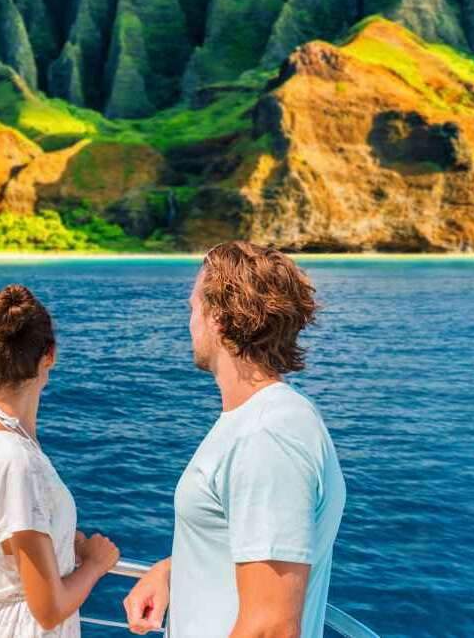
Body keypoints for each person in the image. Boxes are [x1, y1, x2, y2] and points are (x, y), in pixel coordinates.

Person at [124, 241, 346, 637]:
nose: (189, 321)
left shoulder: (268, 435)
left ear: (219, 319)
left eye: (193, 307)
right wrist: (172, 572)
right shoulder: (257, 422)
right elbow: (245, 541)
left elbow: (271, 627)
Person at [0, 284, 120, 637]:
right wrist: (95, 563)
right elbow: (48, 609)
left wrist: (47, 544)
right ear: (49, 354)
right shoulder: (17, 461)